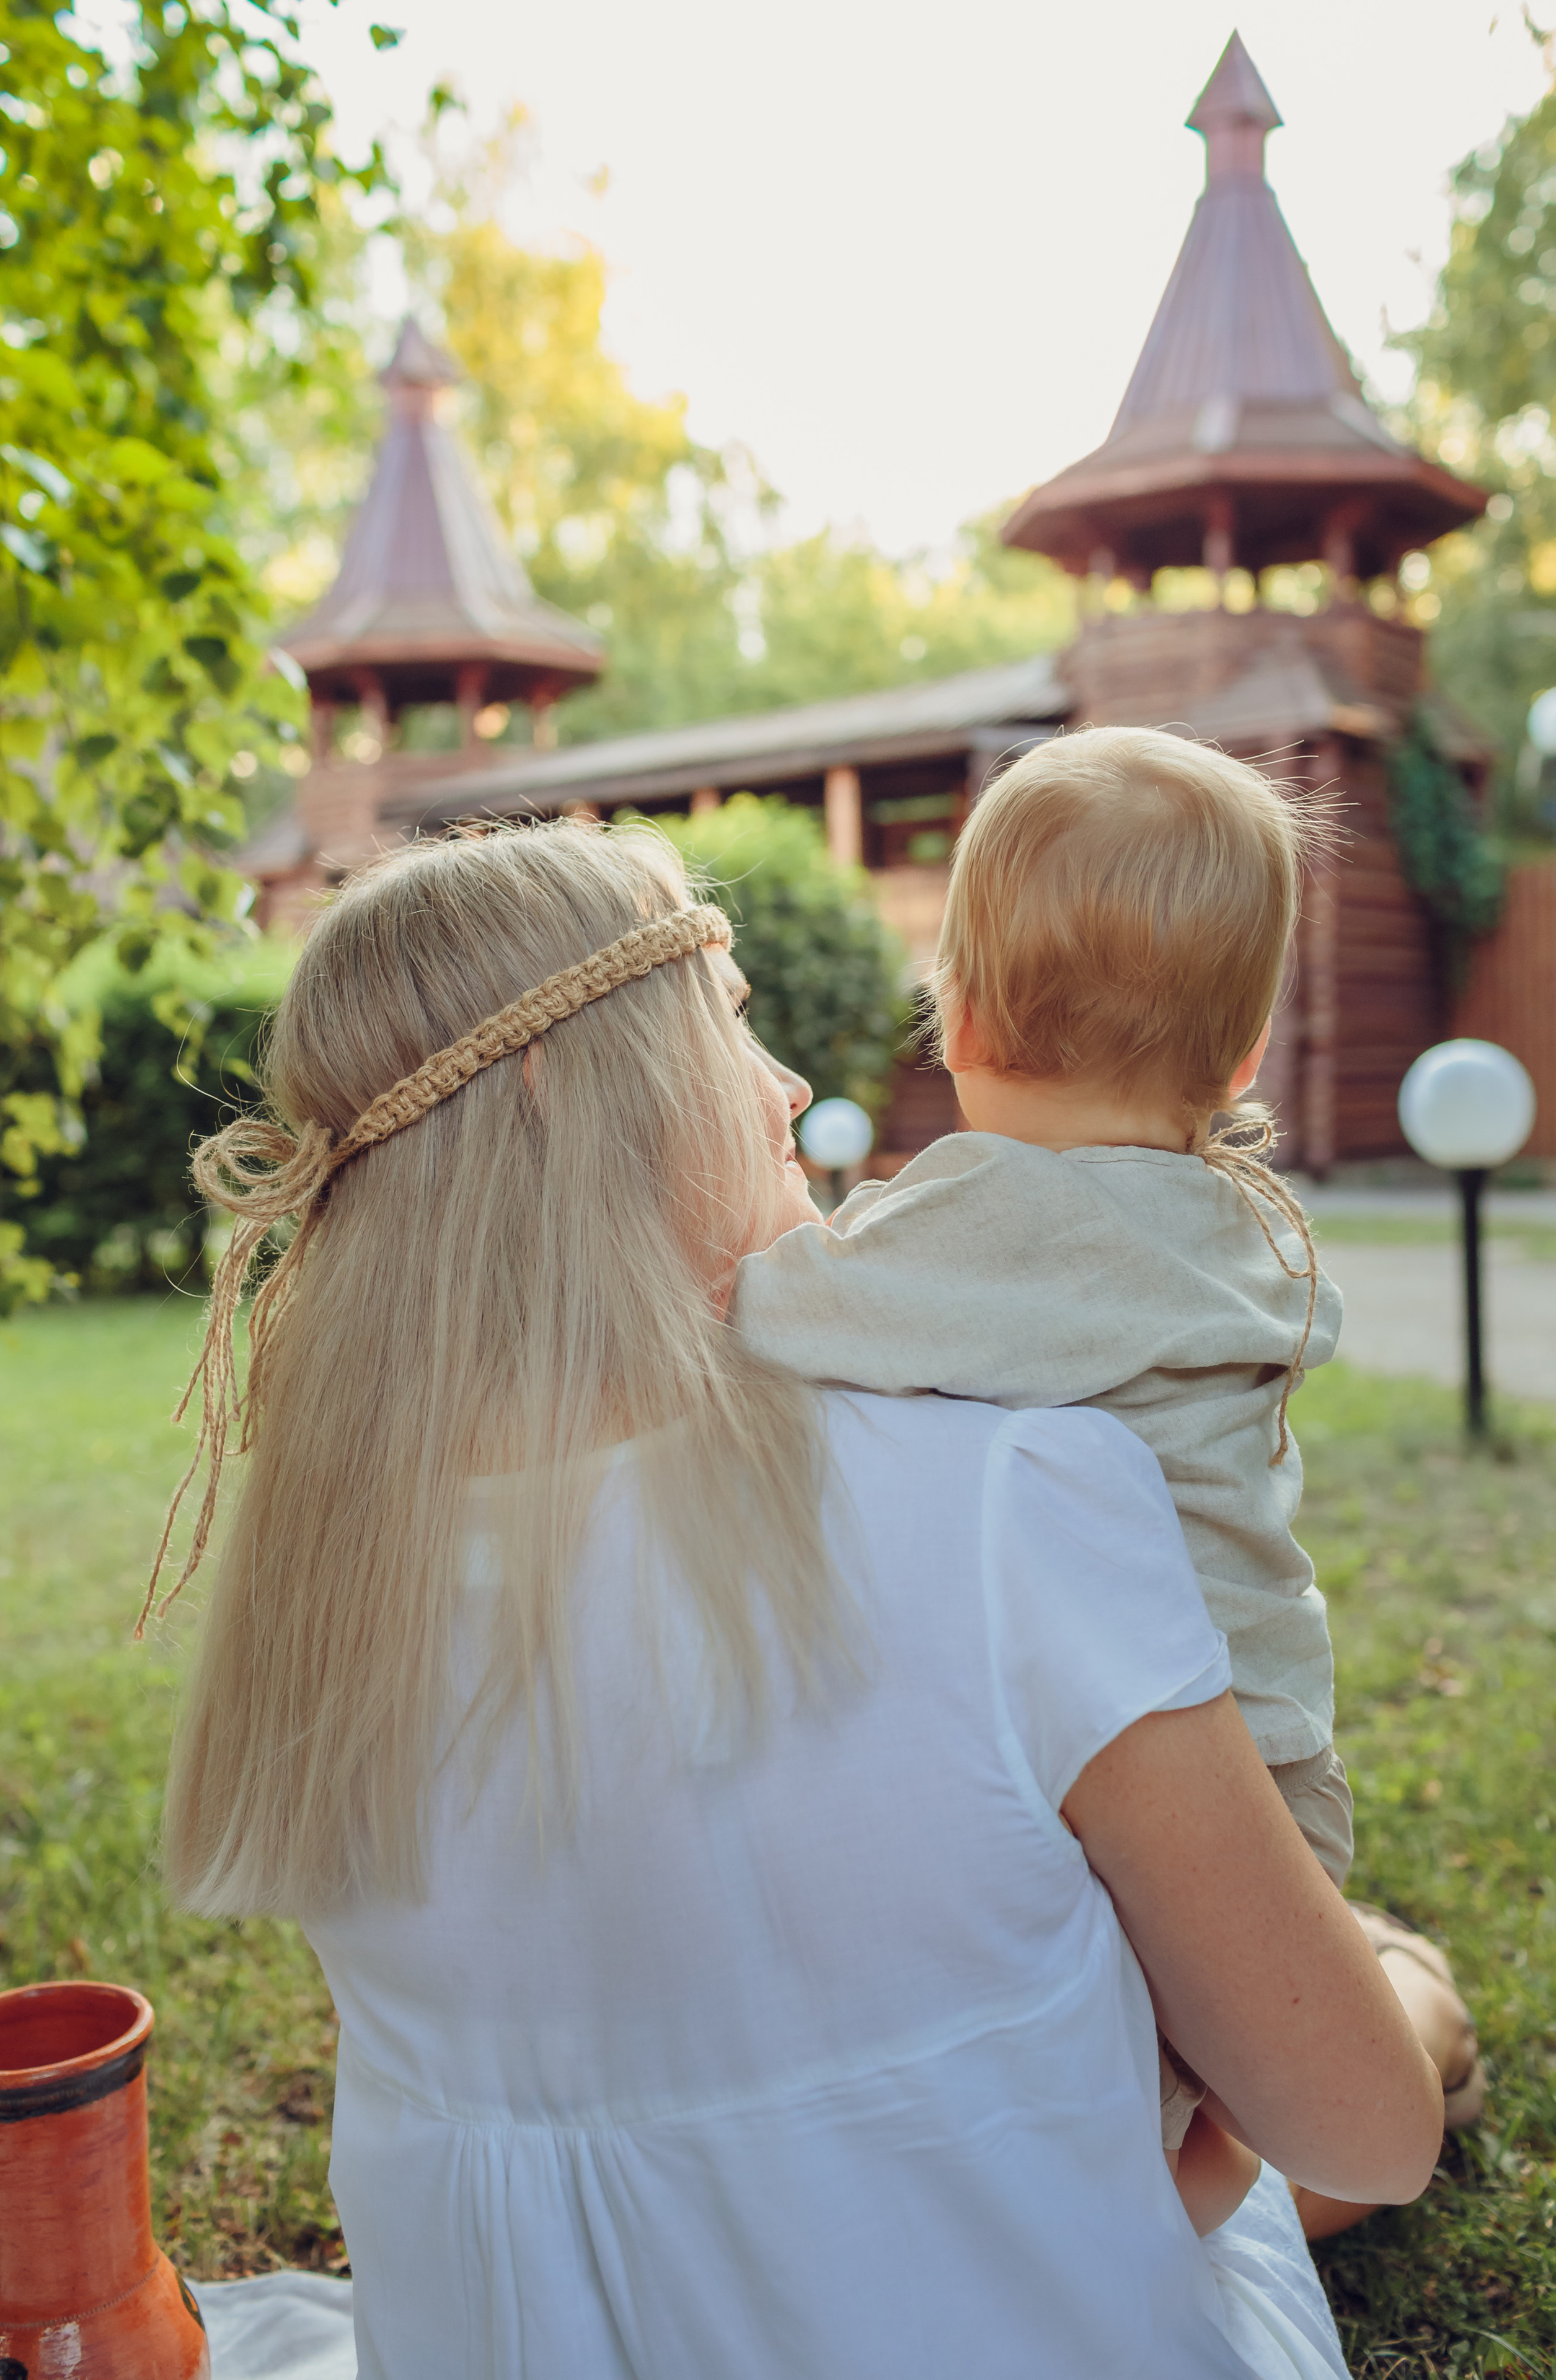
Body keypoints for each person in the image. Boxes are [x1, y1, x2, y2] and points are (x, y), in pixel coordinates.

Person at [154, 820, 1441, 2379]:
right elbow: (1362, 2136)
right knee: (1384, 2020)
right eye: (736, 1018)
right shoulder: (1003, 1501)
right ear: (575, 1092)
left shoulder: (326, 1596)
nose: (780, 1092)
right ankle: (1410, 1979)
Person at [730, 727, 1485, 2197]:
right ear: (1244, 1049)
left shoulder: (985, 1222)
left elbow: (770, 1313)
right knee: (1195, 2113)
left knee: (1126, 2141)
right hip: (1274, 1776)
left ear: (949, 1014)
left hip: (1141, 1796)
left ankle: (1241, 2185)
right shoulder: (1237, 1225)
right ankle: (1293, 2114)